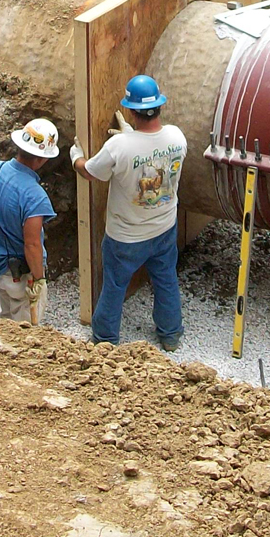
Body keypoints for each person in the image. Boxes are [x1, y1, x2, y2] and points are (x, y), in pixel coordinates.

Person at [69, 75, 188, 350]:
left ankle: (105, 342)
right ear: (159, 106)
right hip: (163, 228)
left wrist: (76, 157)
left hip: (126, 237)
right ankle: (170, 335)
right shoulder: (176, 137)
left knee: (114, 286)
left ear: (131, 111)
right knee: (166, 279)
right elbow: (153, 152)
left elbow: (90, 172)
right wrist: (132, 139)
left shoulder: (118, 147)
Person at [0, 118, 59, 323]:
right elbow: (32, 244)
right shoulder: (34, 195)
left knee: (6, 317)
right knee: (23, 331)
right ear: (43, 159)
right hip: (17, 275)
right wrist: (39, 279)